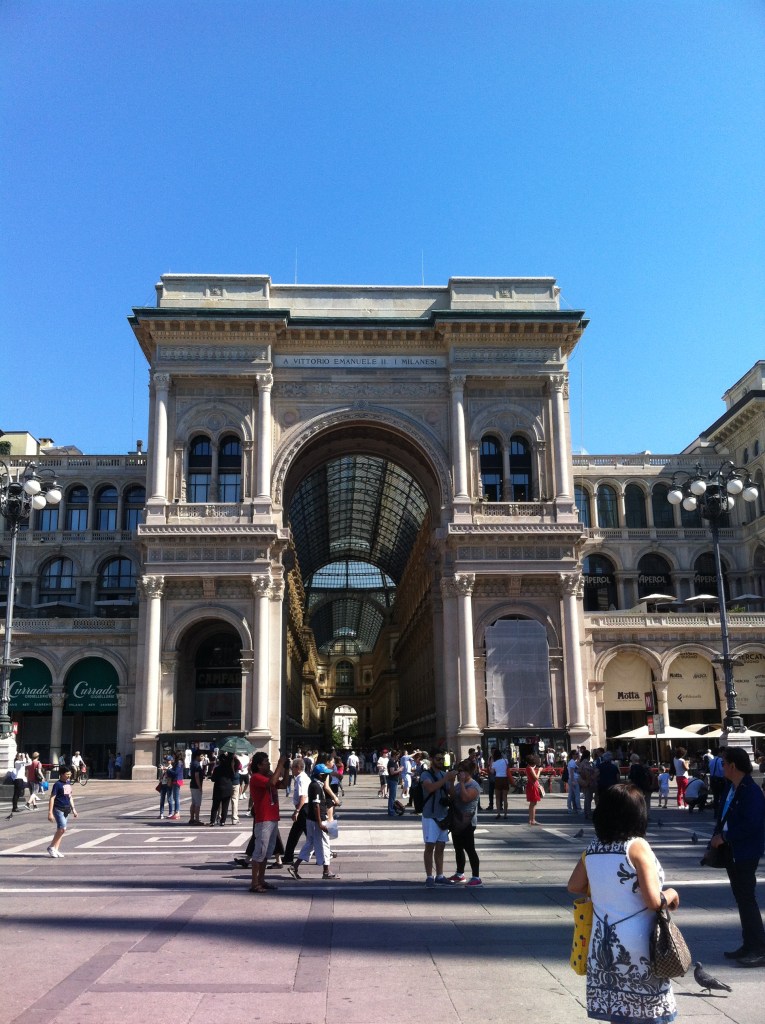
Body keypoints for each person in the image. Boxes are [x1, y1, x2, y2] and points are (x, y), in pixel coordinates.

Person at [567, 783, 680, 1023]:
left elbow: (574, 886)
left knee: (619, 1014)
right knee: (648, 1015)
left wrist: (604, 888)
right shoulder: (637, 847)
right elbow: (652, 900)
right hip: (638, 945)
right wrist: (670, 894)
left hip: (602, 944)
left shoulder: (593, 848)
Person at [708, 746, 765, 967]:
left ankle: (759, 947)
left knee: (747, 899)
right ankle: (749, 944)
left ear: (733, 766)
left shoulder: (750, 791)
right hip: (733, 851)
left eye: (723, 763)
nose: (721, 767)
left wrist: (726, 837)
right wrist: (714, 839)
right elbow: (723, 818)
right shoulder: (732, 788)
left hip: (745, 851)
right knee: (742, 899)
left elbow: (752, 824)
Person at [288, 763, 338, 880]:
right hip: (317, 819)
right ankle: (326, 871)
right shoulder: (315, 786)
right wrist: (320, 823)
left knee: (310, 843)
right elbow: (316, 805)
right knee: (325, 843)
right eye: (325, 774)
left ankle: (295, 866)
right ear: (320, 775)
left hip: (312, 819)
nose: (327, 776)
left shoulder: (315, 784)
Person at [248, 750, 288, 894]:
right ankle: (254, 883)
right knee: (259, 852)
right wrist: (280, 764)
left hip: (272, 818)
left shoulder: (266, 777)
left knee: (266, 853)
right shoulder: (256, 778)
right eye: (266, 763)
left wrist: (286, 768)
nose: (268, 765)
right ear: (259, 765)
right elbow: (272, 783)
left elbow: (283, 784)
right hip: (263, 819)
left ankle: (261, 879)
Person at [420, 750, 456, 886]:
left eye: (442, 759)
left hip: (443, 815)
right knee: (430, 846)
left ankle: (440, 875)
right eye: (438, 759)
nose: (441, 761)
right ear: (431, 759)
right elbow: (430, 788)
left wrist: (451, 782)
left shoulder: (443, 775)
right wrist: (446, 779)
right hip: (430, 815)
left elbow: (452, 795)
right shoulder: (425, 774)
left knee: (441, 846)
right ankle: (429, 876)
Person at [449, 759, 482, 886]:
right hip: (456, 820)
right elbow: (452, 796)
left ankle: (476, 876)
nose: (459, 774)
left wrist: (462, 783)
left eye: (461, 771)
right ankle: (459, 873)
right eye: (458, 771)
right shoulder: (458, 784)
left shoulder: (474, 786)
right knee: (458, 848)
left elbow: (465, 798)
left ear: (469, 772)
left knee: (469, 849)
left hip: (468, 822)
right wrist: (452, 783)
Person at [47, 767, 79, 857]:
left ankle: (56, 849)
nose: (69, 776)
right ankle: (51, 847)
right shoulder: (57, 784)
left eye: (70, 774)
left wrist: (73, 809)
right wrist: (50, 812)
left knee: (61, 830)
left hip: (66, 809)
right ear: (61, 774)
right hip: (58, 808)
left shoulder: (68, 783)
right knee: (62, 828)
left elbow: (70, 796)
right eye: (67, 774)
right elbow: (52, 798)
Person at [209, 751, 236, 826]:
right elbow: (233, 778)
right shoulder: (229, 769)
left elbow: (213, 779)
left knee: (215, 805)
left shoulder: (217, 769)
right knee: (225, 806)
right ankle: (223, 821)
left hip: (218, 788)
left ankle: (212, 821)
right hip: (227, 788)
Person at [628, 752, 654, 818]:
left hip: (638, 786)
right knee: (647, 801)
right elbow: (652, 776)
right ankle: (647, 814)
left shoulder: (634, 767)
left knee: (638, 800)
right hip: (647, 786)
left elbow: (631, 777)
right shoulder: (647, 767)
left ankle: (640, 814)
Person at [490, 746, 510, 820]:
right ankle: (505, 814)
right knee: (505, 798)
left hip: (498, 779)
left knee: (497, 798)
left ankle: (498, 813)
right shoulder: (506, 760)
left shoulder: (494, 763)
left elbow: (492, 772)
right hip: (505, 779)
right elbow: (507, 767)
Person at [187, 748, 204, 825]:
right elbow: (197, 776)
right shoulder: (197, 765)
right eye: (201, 756)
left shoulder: (193, 763)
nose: (202, 757)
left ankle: (192, 818)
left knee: (193, 803)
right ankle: (197, 819)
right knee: (197, 804)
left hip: (192, 785)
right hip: (196, 786)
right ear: (197, 756)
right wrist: (200, 787)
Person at [578, 749, 596, 820]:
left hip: (584, 781)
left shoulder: (582, 762)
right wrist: (589, 780)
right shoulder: (586, 762)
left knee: (587, 798)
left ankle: (586, 812)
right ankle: (588, 813)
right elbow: (586, 772)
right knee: (588, 798)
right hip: (587, 781)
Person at [525, 755, 543, 825]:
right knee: (533, 803)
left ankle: (531, 819)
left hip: (530, 785)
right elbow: (536, 778)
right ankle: (533, 820)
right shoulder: (530, 768)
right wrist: (539, 771)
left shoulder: (528, 767)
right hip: (533, 786)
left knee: (532, 804)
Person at [167, 752, 184, 820]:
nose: (173, 757)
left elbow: (176, 772)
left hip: (177, 780)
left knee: (176, 797)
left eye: (174, 756)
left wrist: (168, 770)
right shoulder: (178, 762)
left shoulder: (179, 762)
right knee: (175, 797)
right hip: (176, 780)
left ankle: (177, 812)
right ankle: (176, 812)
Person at [708, 749, 726, 815]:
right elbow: (722, 770)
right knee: (722, 796)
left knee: (716, 796)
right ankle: (721, 811)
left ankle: (716, 811)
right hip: (720, 780)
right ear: (720, 752)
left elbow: (710, 769)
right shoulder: (721, 760)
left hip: (712, 779)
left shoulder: (711, 761)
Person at [386, 749, 402, 816]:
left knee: (393, 796)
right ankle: (391, 811)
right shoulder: (392, 762)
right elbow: (392, 772)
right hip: (393, 780)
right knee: (392, 797)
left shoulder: (393, 761)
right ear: (395, 755)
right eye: (397, 755)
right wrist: (399, 770)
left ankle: (392, 810)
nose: (398, 757)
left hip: (393, 780)